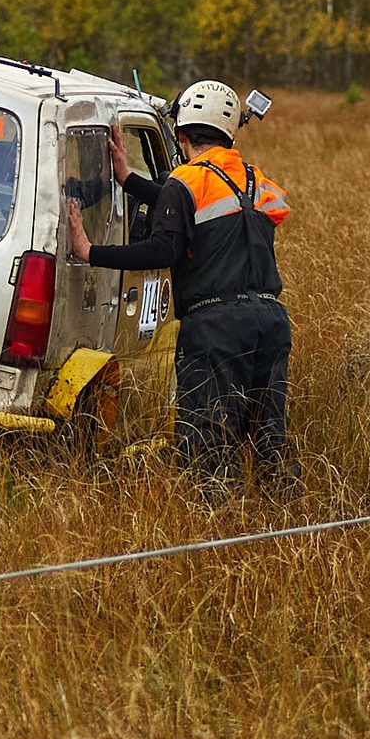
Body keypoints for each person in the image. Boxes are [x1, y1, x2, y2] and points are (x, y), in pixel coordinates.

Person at [62, 81, 295, 486]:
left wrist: (90, 251)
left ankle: (217, 522)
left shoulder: (185, 180)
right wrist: (128, 179)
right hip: (271, 323)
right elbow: (196, 208)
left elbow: (163, 249)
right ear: (228, 135)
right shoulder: (253, 181)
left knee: (209, 444)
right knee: (269, 439)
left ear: (181, 134)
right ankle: (286, 513)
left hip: (217, 330)